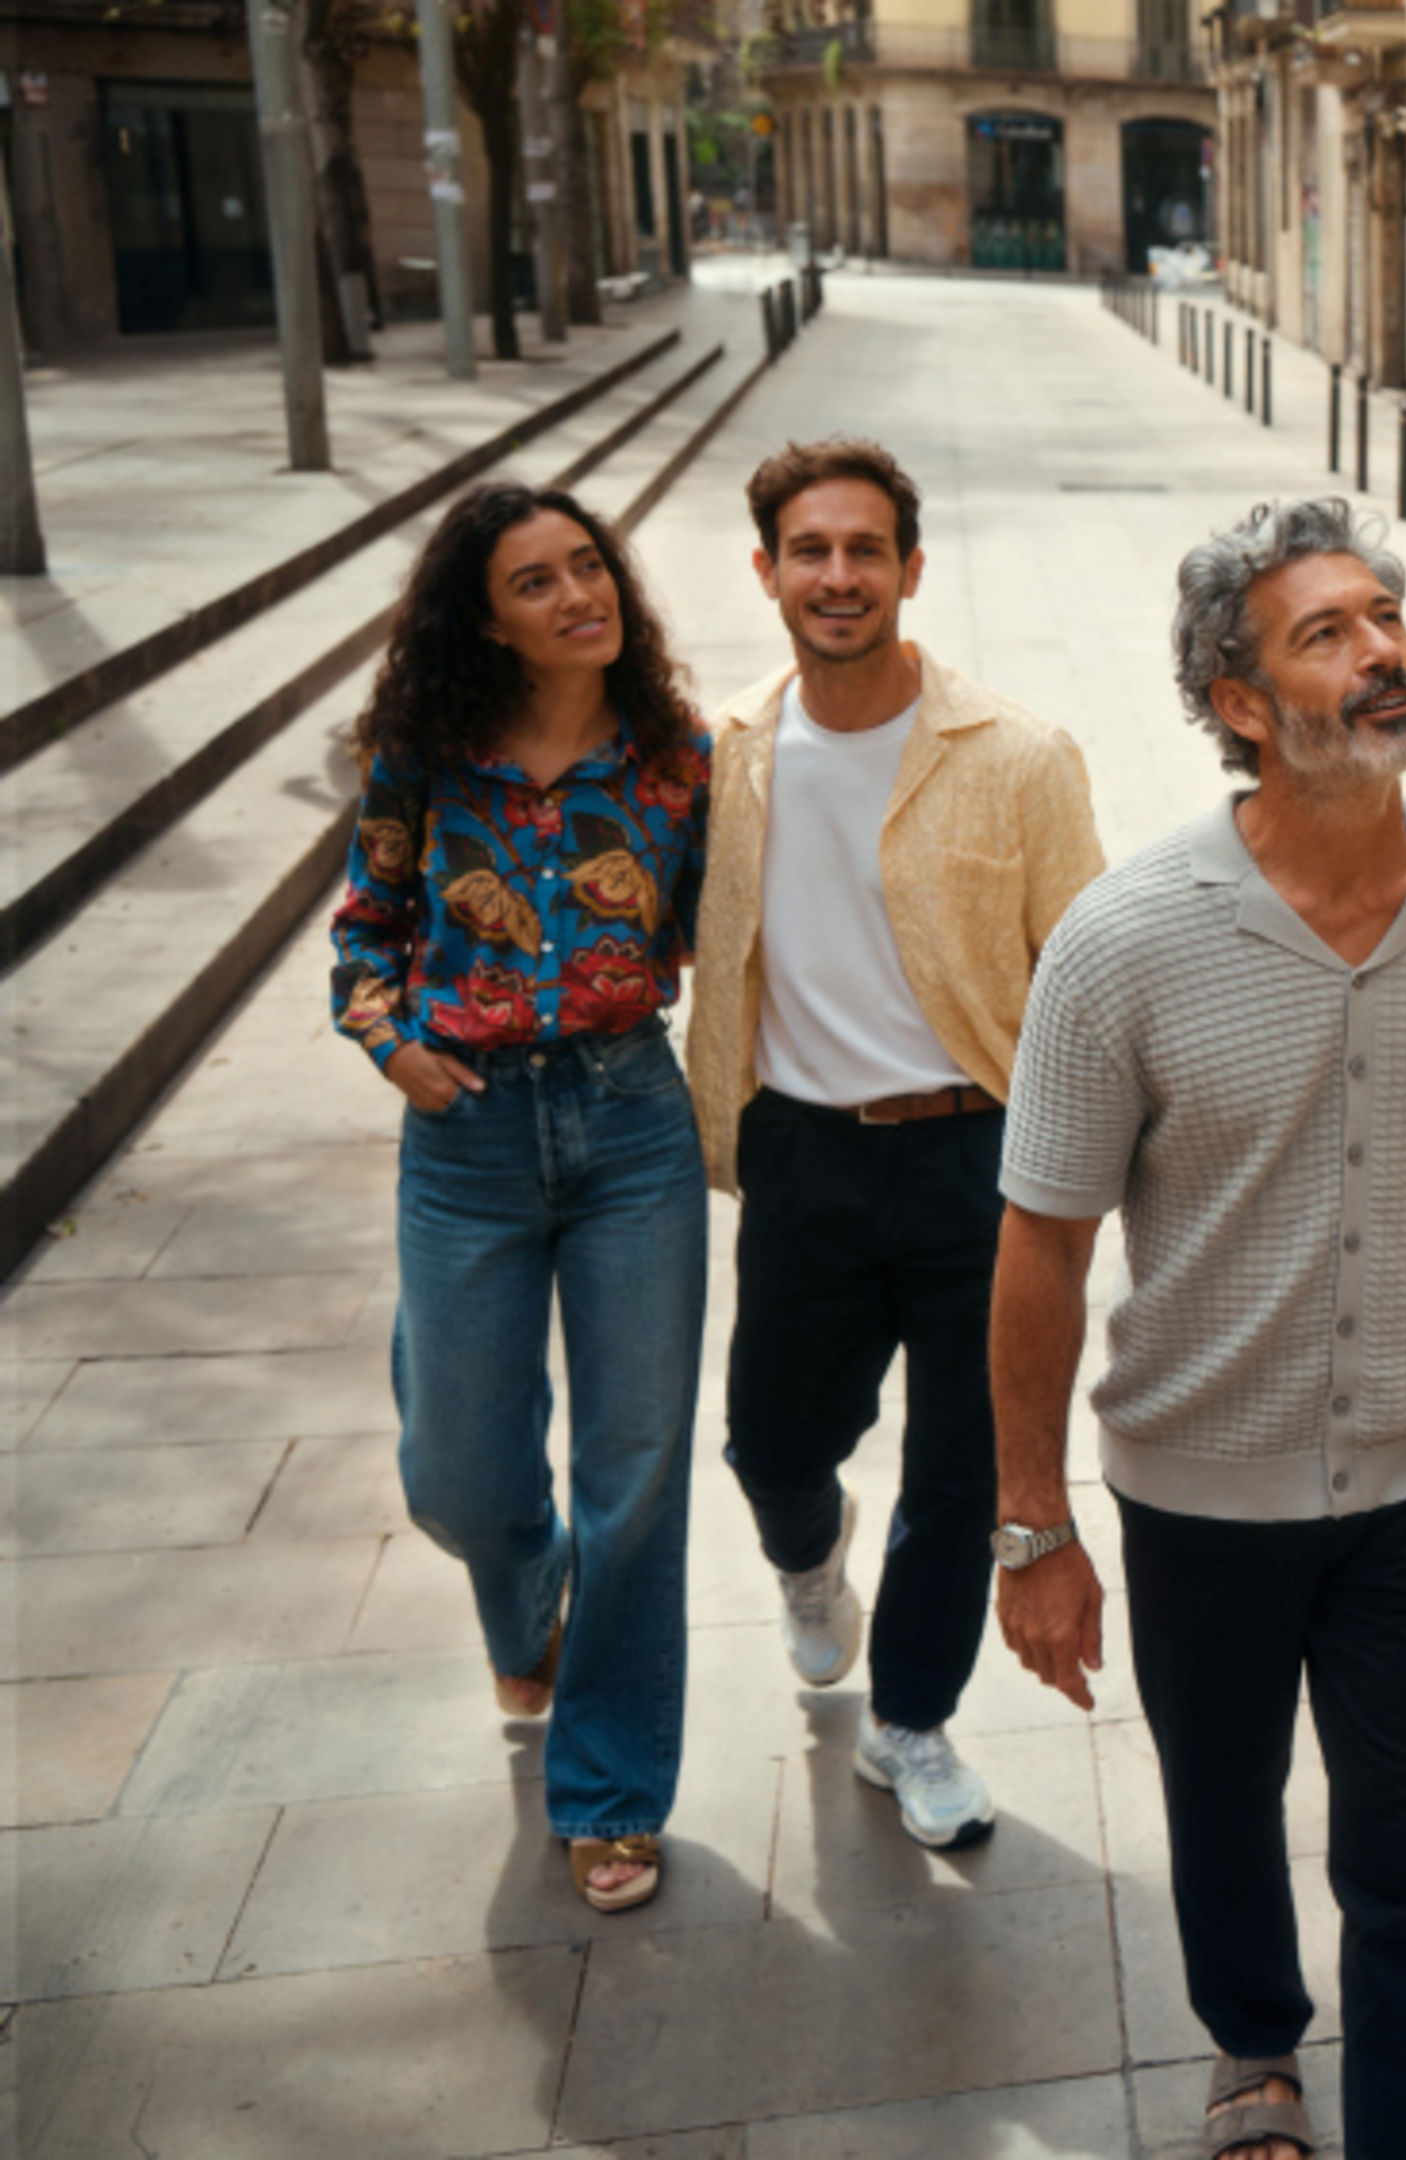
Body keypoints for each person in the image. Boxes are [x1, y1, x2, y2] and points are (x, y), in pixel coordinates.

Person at [990, 500, 1406, 2160]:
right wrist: (1035, 1525)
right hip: (1198, 1486)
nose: (1380, 648)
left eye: (1387, 618)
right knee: (1223, 1808)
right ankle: (1252, 2045)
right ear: (1236, 701)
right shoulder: (1124, 943)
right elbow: (1038, 1248)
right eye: (1326, 632)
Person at [684, 438, 1105, 1849]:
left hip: (977, 1162)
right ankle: (810, 1563)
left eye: (867, 550)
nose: (840, 575)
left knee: (964, 1473)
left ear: (911, 572)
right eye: (811, 551)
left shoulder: (1021, 756)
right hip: (800, 1154)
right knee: (769, 1441)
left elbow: (1089, 971)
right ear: (769, 574)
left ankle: (910, 1721)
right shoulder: (729, 757)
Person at [327, 482, 713, 1915]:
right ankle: (522, 1576)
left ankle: (610, 1792)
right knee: (462, 1478)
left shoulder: (678, 764)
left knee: (639, 1470)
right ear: (482, 621)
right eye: (535, 582)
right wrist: (394, 1047)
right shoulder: (426, 757)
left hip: (630, 1128)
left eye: (588, 566)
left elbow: (732, 930)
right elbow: (362, 933)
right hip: (469, 1133)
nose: (577, 595)